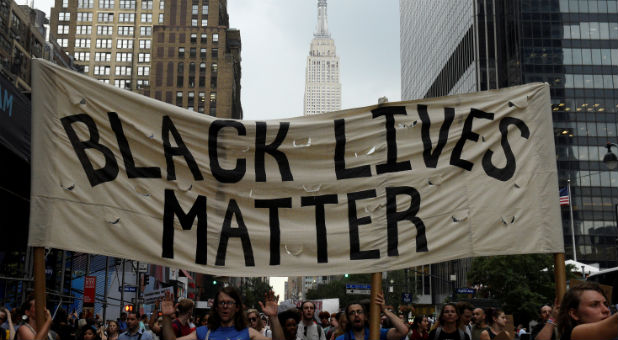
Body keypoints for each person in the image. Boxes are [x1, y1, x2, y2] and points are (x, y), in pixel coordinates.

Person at [160, 287, 284, 339]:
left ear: (237, 308)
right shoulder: (203, 332)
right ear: (216, 307)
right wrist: (166, 317)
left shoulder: (248, 333)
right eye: (221, 303)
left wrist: (273, 317)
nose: (225, 306)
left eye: (229, 303)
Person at [547, 282, 616, 340]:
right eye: (594, 305)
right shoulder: (575, 334)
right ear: (574, 314)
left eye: (606, 304)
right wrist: (552, 318)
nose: (606, 310)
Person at [335, 292, 408, 340]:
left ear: (365, 316)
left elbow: (403, 331)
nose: (356, 315)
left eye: (359, 312)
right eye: (352, 313)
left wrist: (385, 310)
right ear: (348, 318)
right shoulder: (341, 339)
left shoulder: (378, 334)